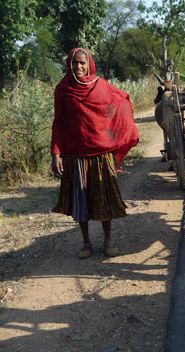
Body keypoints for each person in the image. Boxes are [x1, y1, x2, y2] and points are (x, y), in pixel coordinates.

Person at [51, 48, 139, 259]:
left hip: (101, 151)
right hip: (75, 154)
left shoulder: (101, 85)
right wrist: (56, 153)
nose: (78, 67)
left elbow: (120, 101)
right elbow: (59, 123)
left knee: (104, 198)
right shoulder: (63, 89)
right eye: (74, 63)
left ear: (89, 64)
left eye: (82, 63)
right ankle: (86, 242)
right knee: (80, 200)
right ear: (68, 65)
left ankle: (108, 239)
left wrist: (109, 128)